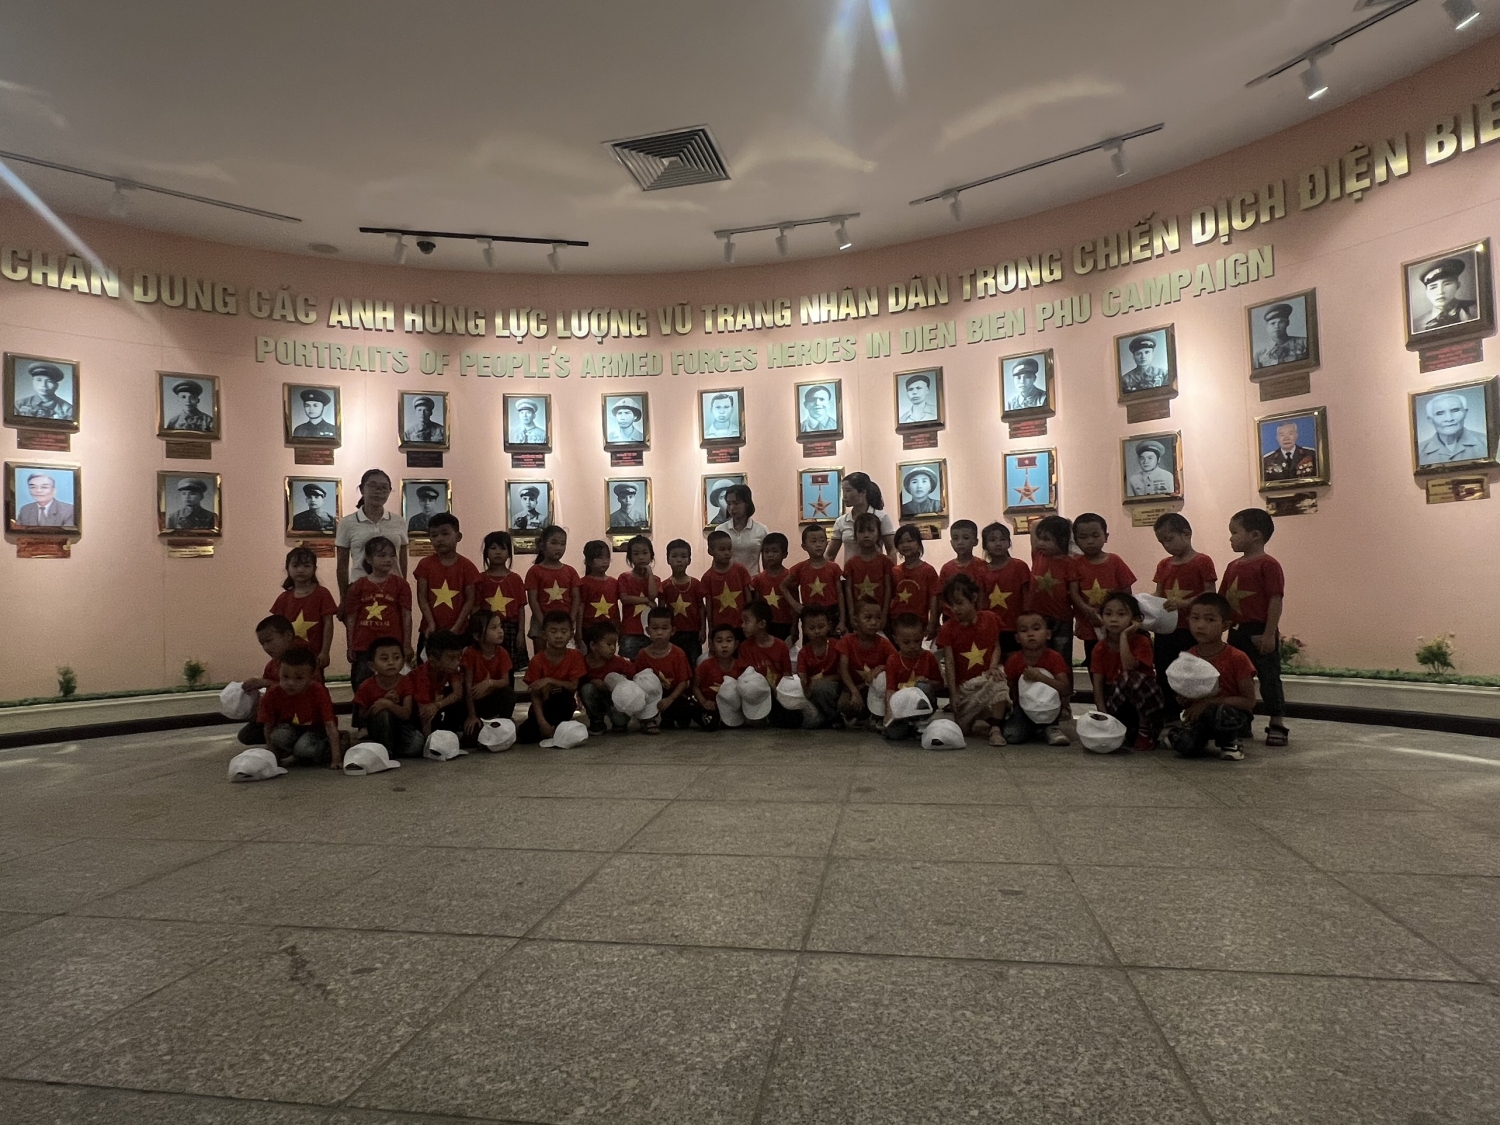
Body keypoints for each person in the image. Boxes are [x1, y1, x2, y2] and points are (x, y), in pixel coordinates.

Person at [1221, 508, 1289, 746]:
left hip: (1259, 630)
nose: (1230, 538)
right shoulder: (1232, 566)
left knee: (1269, 679)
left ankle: (1277, 722)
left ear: (1255, 535)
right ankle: (1242, 720)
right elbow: (1223, 600)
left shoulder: (1268, 565)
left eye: (1234, 532)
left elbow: (1275, 599)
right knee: (1238, 679)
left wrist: (1269, 634)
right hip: (1236, 632)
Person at [1161, 593, 1257, 761]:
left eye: (1210, 620)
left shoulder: (1237, 658)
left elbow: (1249, 702)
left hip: (1232, 716)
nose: (1201, 625)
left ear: (1225, 625)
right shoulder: (1189, 657)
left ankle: (1231, 742)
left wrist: (1209, 702)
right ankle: (1183, 735)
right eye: (1195, 618)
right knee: (1185, 747)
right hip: (1201, 718)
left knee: (1221, 712)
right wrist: (1184, 698)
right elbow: (1187, 697)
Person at [937, 574, 1009, 746]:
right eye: (952, 605)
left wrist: (993, 667)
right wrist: (953, 694)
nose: (955, 609)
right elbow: (949, 663)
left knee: (998, 680)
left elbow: (996, 646)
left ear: (974, 598)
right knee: (963, 729)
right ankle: (982, 715)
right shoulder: (948, 629)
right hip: (965, 688)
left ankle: (995, 728)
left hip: (986, 679)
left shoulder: (990, 618)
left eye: (959, 603)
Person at [1151, 513, 1216, 699]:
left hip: (1191, 629)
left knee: (1192, 674)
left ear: (1186, 534)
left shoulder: (1202, 561)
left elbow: (1210, 594)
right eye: (1162, 542)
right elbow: (1159, 594)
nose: (1166, 545)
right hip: (1166, 629)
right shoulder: (1163, 565)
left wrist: (1184, 603)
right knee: (1165, 671)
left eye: (1169, 539)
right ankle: (1169, 711)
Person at [1090, 593, 1166, 751]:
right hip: (1119, 702)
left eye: (1121, 614)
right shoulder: (1100, 648)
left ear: (1135, 620)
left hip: (1145, 706)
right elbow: (1097, 686)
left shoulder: (1142, 641)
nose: (1113, 619)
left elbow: (1128, 667)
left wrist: (1124, 636)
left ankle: (1145, 731)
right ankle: (1125, 730)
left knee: (1128, 677)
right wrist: (1104, 717)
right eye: (1108, 614)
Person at [342, 535, 412, 690]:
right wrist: (350, 645)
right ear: (369, 559)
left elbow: (406, 615)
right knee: (362, 687)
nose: (388, 560)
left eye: (392, 555)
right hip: (364, 645)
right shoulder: (358, 586)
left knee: (393, 687)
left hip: (392, 643)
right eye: (382, 555)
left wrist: (407, 644)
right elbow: (351, 617)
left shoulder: (400, 584)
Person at [1069, 513, 1136, 667]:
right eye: (1083, 537)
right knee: (1094, 663)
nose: (1090, 541)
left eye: (1095, 535)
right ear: (1076, 540)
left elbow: (1127, 592)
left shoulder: (1115, 561)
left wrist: (1125, 615)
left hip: (1116, 623)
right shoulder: (1074, 564)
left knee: (1117, 662)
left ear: (1106, 537)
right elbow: (1073, 593)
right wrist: (1088, 611)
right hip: (1090, 624)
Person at [257, 647, 341, 768]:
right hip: (291, 728)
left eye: (299, 678)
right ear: (278, 671)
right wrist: (272, 756)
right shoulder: (273, 693)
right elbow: (268, 725)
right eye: (285, 676)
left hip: (316, 729)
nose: (290, 683)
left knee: (303, 749)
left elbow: (329, 724)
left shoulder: (318, 691)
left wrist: (336, 758)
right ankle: (296, 752)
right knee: (277, 736)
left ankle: (338, 743)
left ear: (312, 676)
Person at [1002, 611, 1074, 746]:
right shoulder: (1014, 660)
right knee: (1011, 736)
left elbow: (1065, 689)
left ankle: (1051, 727)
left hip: (1050, 708)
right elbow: (1008, 688)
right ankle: (1035, 729)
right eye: (1024, 630)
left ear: (1048, 634)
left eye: (1036, 629)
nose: (1030, 634)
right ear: (1017, 638)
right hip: (1023, 709)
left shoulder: (1054, 658)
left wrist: (1040, 678)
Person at [335, 469, 408, 599]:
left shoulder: (399, 521)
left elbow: (402, 559)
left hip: (392, 588)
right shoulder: (347, 522)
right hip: (360, 589)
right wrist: (344, 597)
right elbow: (342, 564)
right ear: (362, 489)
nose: (378, 491)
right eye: (373, 486)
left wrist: (402, 586)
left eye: (384, 487)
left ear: (389, 491)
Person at [518, 611, 584, 744]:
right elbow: (535, 695)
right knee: (525, 734)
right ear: (544, 634)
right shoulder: (537, 660)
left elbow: (573, 686)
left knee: (560, 694)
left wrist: (549, 680)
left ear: (571, 634)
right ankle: (551, 729)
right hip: (542, 709)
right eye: (553, 631)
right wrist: (542, 722)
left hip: (563, 705)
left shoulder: (575, 656)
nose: (559, 636)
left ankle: (558, 728)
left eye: (564, 631)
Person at [351, 636, 422, 759]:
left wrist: (389, 704)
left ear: (403, 662)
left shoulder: (406, 681)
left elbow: (406, 714)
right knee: (383, 713)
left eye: (396, 658)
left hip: (402, 727)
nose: (391, 663)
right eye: (384, 659)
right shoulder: (366, 686)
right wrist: (379, 704)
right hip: (378, 728)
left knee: (417, 743)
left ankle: (393, 749)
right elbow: (362, 716)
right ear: (372, 666)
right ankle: (385, 750)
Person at [270, 545, 338, 672]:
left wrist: (325, 651)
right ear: (287, 568)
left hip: (314, 655)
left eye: (306, 566)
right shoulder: (283, 598)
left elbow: (328, 624)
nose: (300, 570)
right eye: (295, 566)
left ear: (314, 569)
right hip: (289, 655)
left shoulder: (322, 594)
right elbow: (277, 629)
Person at [237, 614, 302, 745]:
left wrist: (265, 683)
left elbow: (302, 690)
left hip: (302, 717)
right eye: (262, 644)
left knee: (298, 745)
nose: (266, 648)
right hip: (280, 717)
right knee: (247, 735)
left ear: (288, 636)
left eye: (269, 641)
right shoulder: (271, 666)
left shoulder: (303, 658)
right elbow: (270, 697)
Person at [414, 513, 479, 640]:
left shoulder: (467, 566)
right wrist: (431, 624)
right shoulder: (424, 565)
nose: (439, 539)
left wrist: (456, 627)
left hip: (460, 631)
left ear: (458, 536)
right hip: (430, 629)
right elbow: (422, 598)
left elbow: (470, 600)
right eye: (434, 535)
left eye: (445, 534)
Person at [882, 613, 943, 742]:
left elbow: (940, 685)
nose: (912, 646)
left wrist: (928, 682)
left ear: (923, 637)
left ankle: (922, 722)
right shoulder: (893, 660)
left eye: (917, 641)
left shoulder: (928, 657)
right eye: (906, 642)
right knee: (894, 735)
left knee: (922, 687)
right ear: (896, 639)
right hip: (903, 707)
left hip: (924, 704)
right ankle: (909, 726)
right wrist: (889, 712)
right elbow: (890, 689)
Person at [737, 600, 798, 727]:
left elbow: (787, 675)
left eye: (747, 621)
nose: (742, 625)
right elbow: (745, 678)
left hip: (778, 695)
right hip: (757, 696)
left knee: (793, 719)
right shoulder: (745, 647)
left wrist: (781, 694)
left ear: (762, 624)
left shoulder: (781, 646)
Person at [634, 606, 694, 732]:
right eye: (655, 628)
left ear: (673, 631)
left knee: (684, 715)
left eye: (664, 628)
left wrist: (670, 699)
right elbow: (638, 682)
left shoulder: (678, 654)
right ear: (647, 630)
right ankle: (648, 720)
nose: (659, 632)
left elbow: (683, 682)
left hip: (672, 696)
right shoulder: (642, 655)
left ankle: (667, 717)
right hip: (650, 697)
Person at [476, 531, 527, 673]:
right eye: (493, 548)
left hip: (511, 629)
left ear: (509, 553)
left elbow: (521, 608)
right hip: (487, 629)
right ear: (486, 553)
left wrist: (521, 633)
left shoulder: (515, 579)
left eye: (503, 548)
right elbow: (476, 608)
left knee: (509, 669)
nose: (498, 552)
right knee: (488, 666)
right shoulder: (480, 579)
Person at [462, 610, 517, 742]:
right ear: (477, 636)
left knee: (508, 694)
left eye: (500, 626)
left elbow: (505, 681)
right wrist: (472, 715)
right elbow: (468, 688)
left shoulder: (502, 652)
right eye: (493, 628)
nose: (500, 631)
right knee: (471, 739)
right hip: (474, 703)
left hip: (491, 698)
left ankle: (503, 723)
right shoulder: (470, 653)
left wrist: (489, 683)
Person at [838, 599, 895, 726]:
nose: (874, 622)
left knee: (883, 678)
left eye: (878, 618)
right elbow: (843, 670)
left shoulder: (884, 643)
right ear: (855, 621)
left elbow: (897, 663)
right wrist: (854, 691)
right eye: (868, 618)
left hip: (876, 691)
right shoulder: (847, 641)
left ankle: (876, 716)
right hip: (855, 688)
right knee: (845, 704)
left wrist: (882, 667)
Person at [1027, 514, 1076, 662]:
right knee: (1039, 657)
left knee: (1062, 658)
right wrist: (1050, 522)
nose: (1041, 543)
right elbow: (1034, 525)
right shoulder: (1038, 555)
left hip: (1061, 619)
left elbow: (1074, 593)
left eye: (1047, 539)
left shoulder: (1070, 563)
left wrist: (1067, 526)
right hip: (1038, 616)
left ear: (1062, 540)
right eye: (1040, 538)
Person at [524, 525, 581, 652]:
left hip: (564, 622)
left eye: (562, 544)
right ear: (542, 545)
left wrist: (571, 620)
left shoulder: (570, 571)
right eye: (554, 543)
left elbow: (576, 598)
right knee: (542, 657)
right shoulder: (535, 571)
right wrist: (543, 623)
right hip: (541, 621)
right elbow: (533, 600)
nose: (558, 548)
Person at [978, 522, 1030, 656]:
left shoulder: (1019, 566)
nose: (998, 544)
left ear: (1009, 543)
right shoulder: (981, 571)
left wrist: (1026, 620)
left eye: (1002, 539)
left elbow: (1027, 596)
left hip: (1016, 626)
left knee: (1016, 661)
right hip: (992, 628)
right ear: (985, 545)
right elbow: (981, 601)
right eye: (992, 540)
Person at [782, 524, 845, 632]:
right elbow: (783, 586)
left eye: (822, 540)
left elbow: (840, 594)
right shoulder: (799, 568)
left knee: (833, 641)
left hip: (831, 611)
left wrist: (842, 621)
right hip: (809, 612)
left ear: (827, 543)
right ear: (804, 546)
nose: (818, 545)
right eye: (813, 541)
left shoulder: (834, 567)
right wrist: (796, 605)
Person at [579, 621, 635, 734]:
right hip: (596, 698)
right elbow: (577, 682)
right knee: (587, 689)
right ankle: (597, 721)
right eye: (609, 644)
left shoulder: (618, 662)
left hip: (614, 702)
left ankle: (618, 723)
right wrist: (592, 681)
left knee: (620, 722)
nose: (613, 648)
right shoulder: (583, 663)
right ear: (593, 646)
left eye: (615, 644)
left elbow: (635, 674)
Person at [795, 605, 846, 728]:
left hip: (833, 690)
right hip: (812, 694)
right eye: (812, 628)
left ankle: (835, 718)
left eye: (821, 627)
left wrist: (821, 681)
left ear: (829, 625)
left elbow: (843, 674)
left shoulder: (837, 646)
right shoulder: (803, 653)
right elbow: (802, 677)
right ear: (804, 629)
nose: (817, 631)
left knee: (822, 688)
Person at [410, 630, 467, 737]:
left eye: (458, 657)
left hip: (434, 706)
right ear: (433, 661)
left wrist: (437, 705)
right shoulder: (421, 677)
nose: (457, 662)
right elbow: (425, 716)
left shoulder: (451, 669)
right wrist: (429, 741)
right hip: (415, 716)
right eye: (451, 658)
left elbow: (458, 693)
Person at [829, 473, 896, 561]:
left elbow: (891, 550)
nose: (844, 496)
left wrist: (890, 568)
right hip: (850, 569)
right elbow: (830, 555)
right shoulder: (841, 521)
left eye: (848, 490)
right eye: (843, 491)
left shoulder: (881, 517)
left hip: (876, 568)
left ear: (863, 492)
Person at [843, 513, 893, 628]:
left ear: (879, 535)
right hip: (859, 616)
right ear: (855, 536)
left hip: (880, 613)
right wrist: (852, 614)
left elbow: (888, 589)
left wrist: (884, 614)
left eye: (871, 531)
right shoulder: (851, 563)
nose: (866, 535)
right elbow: (848, 590)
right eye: (861, 531)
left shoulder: (885, 562)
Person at [891, 524, 940, 640]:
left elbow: (934, 598)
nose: (905, 545)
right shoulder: (894, 571)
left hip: (920, 623)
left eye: (910, 541)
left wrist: (933, 622)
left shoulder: (928, 570)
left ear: (919, 544)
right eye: (901, 542)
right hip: (896, 623)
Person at [662, 539, 706, 667]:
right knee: (675, 663)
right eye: (674, 556)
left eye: (683, 556)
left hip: (693, 632)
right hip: (673, 632)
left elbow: (701, 607)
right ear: (668, 560)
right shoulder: (664, 585)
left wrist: (703, 629)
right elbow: (661, 610)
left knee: (693, 663)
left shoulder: (696, 584)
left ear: (689, 560)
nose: (679, 560)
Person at [693, 625, 744, 731]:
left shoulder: (741, 666)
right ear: (711, 644)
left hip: (732, 707)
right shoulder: (705, 665)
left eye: (729, 641)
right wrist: (704, 702)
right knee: (711, 724)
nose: (724, 645)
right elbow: (695, 686)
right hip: (710, 707)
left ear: (736, 644)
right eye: (719, 641)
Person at [702, 529, 753, 637]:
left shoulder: (740, 570)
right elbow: (709, 604)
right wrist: (710, 628)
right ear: (710, 551)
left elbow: (748, 596)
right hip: (720, 627)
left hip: (741, 624)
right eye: (722, 549)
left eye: (729, 549)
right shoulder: (707, 577)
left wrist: (749, 620)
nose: (727, 553)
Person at [617, 535, 659, 660]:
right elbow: (625, 598)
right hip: (629, 630)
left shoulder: (655, 579)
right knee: (628, 663)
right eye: (636, 554)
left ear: (651, 555)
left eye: (645, 553)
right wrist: (646, 601)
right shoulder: (624, 577)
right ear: (630, 557)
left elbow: (653, 595)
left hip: (649, 631)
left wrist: (650, 573)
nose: (641, 557)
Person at [750, 532, 796, 643]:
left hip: (785, 623)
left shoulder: (790, 577)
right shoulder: (758, 579)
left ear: (785, 554)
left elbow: (795, 604)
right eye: (766, 552)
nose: (770, 555)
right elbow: (757, 605)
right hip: (765, 625)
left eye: (774, 551)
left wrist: (795, 626)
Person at [713, 484, 769, 573]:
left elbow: (767, 563)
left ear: (746, 503)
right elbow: (716, 562)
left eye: (736, 503)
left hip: (753, 579)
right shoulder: (720, 530)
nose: (732, 508)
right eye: (729, 504)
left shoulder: (761, 530)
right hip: (729, 579)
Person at [1418, 392, 1487, 465]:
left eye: (1455, 410)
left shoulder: (1486, 442)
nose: (1449, 418)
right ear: (1430, 420)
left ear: (1465, 413)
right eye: (1440, 413)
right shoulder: (1418, 451)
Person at [938, 520, 986, 624]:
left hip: (976, 619)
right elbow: (941, 597)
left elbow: (984, 594)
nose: (960, 542)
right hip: (951, 619)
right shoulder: (946, 569)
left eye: (966, 538)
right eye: (955, 538)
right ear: (951, 542)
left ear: (975, 541)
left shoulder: (983, 566)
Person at [1418, 257, 1477, 330]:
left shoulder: (1476, 310)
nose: (1440, 292)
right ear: (1426, 291)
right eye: (1433, 287)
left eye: (1447, 284)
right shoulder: (1418, 324)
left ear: (1458, 285)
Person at [579, 539, 621, 631]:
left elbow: (615, 608)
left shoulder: (614, 582)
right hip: (589, 629)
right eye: (600, 558)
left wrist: (618, 626)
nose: (605, 561)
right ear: (589, 561)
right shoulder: (583, 583)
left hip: (609, 629)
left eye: (607, 557)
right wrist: (578, 631)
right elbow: (581, 609)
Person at [1254, 303, 1308, 368]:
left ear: (1287, 323)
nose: (1277, 326)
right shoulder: (1260, 355)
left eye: (1281, 322)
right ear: (1267, 327)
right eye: (1272, 323)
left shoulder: (1304, 343)